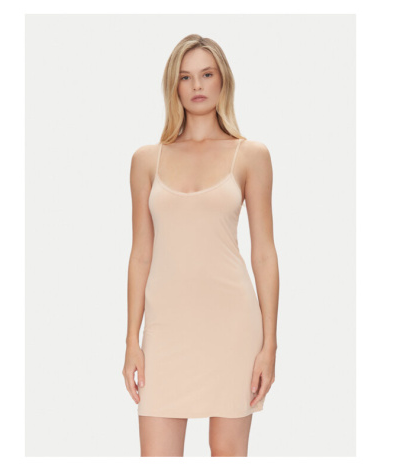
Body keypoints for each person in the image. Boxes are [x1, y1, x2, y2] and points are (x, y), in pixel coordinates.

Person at [123, 34, 279, 457]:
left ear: (223, 80)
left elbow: (264, 253)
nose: (196, 85)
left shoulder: (251, 155)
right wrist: (132, 340)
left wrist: (269, 344)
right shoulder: (146, 160)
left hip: (232, 325)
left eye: (207, 74)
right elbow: (141, 254)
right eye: (185, 76)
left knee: (227, 454)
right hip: (166, 328)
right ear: (173, 86)